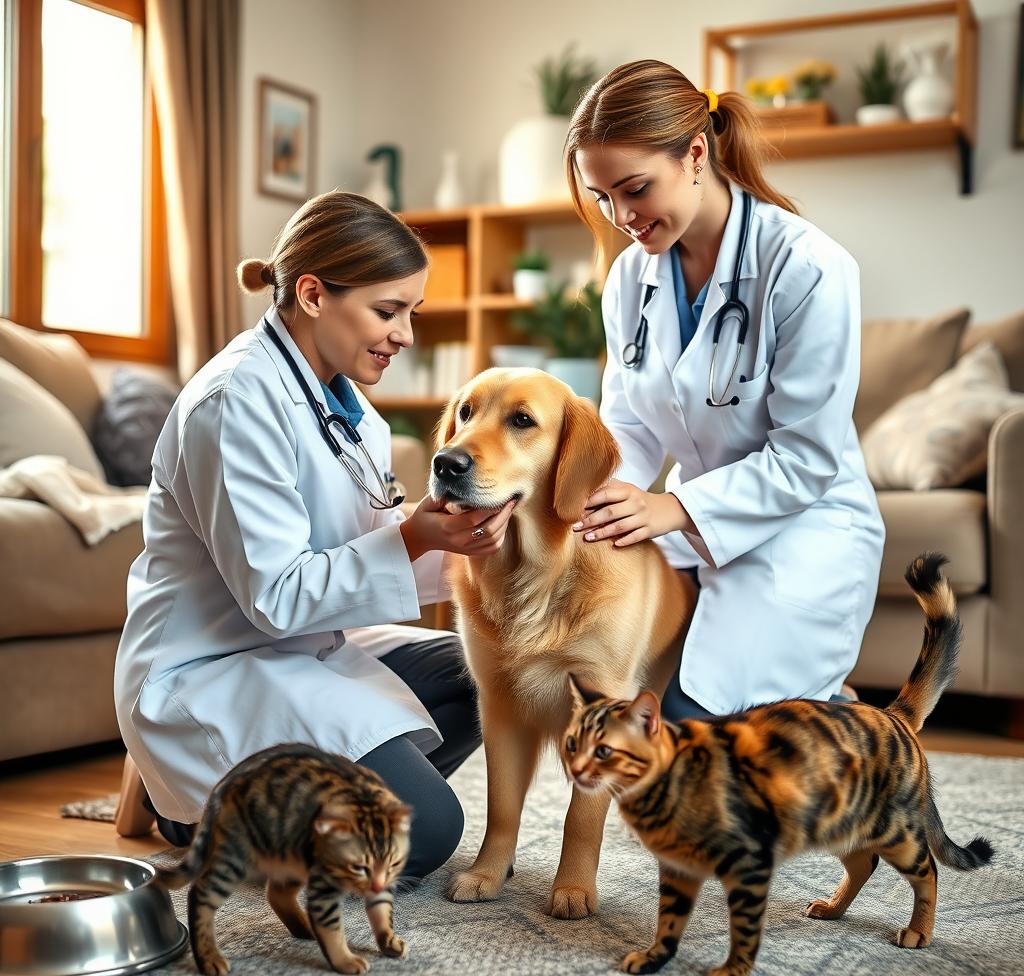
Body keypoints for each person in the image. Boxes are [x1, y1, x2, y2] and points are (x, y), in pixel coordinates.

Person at [114, 191, 515, 880]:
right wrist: (415, 541)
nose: (405, 336)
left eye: (411, 313)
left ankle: (286, 794)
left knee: (487, 673)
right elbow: (276, 596)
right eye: (388, 312)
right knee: (427, 833)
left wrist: (446, 537)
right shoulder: (235, 402)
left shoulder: (351, 410)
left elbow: (362, 541)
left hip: (304, 650)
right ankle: (198, 808)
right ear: (311, 294)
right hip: (213, 667)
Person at [564, 60, 885, 719]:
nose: (621, 216)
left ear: (696, 154)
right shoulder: (630, 278)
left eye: (634, 189)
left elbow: (806, 461)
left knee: (688, 734)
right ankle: (817, 705)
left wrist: (673, 511)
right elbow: (629, 426)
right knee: (612, 697)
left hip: (804, 530)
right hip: (694, 526)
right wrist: (588, 502)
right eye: (602, 198)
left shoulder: (807, 267)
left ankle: (834, 713)